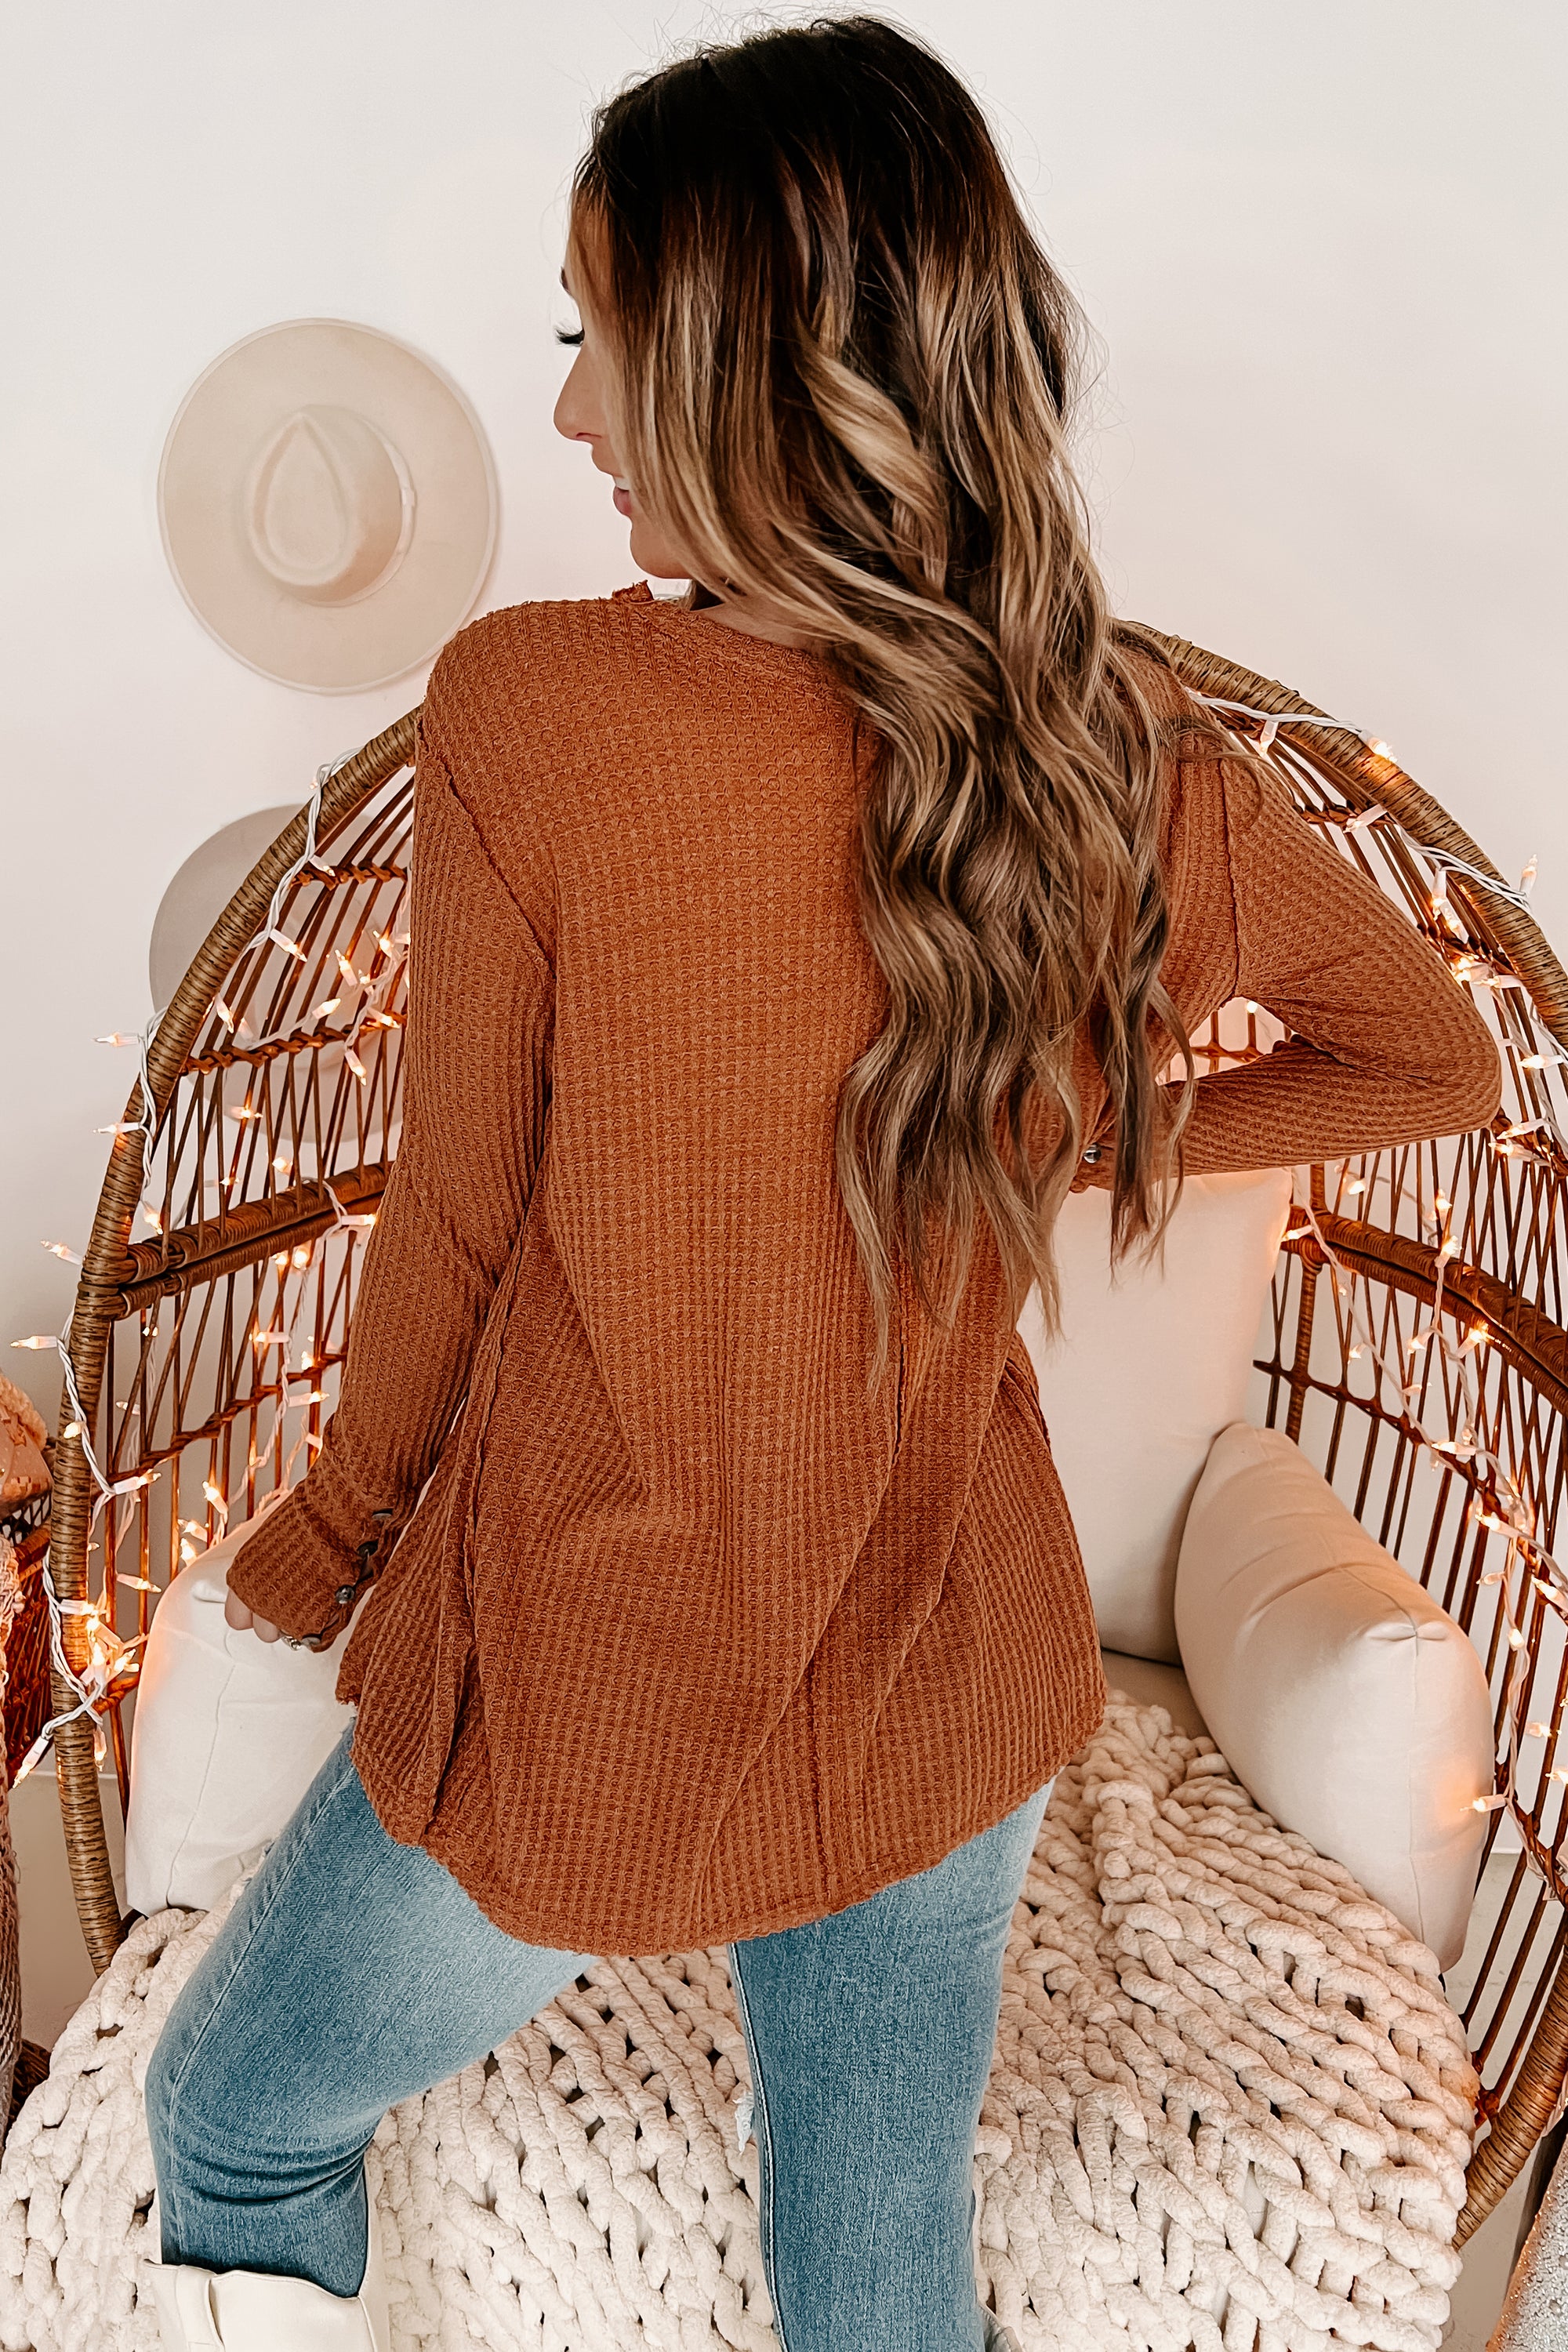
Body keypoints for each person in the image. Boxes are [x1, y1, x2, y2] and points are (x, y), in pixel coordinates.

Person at [141, 16, 1501, 2351]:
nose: (573, 415)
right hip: (943, 1652)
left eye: (599, 341)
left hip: (607, 1674)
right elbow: (1435, 1054)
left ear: (749, 373)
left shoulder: (537, 712)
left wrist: (319, 1549)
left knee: (230, 2120)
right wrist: (1059, 1125)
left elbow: (456, 1221)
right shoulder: (1114, 745)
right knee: (871, 2271)